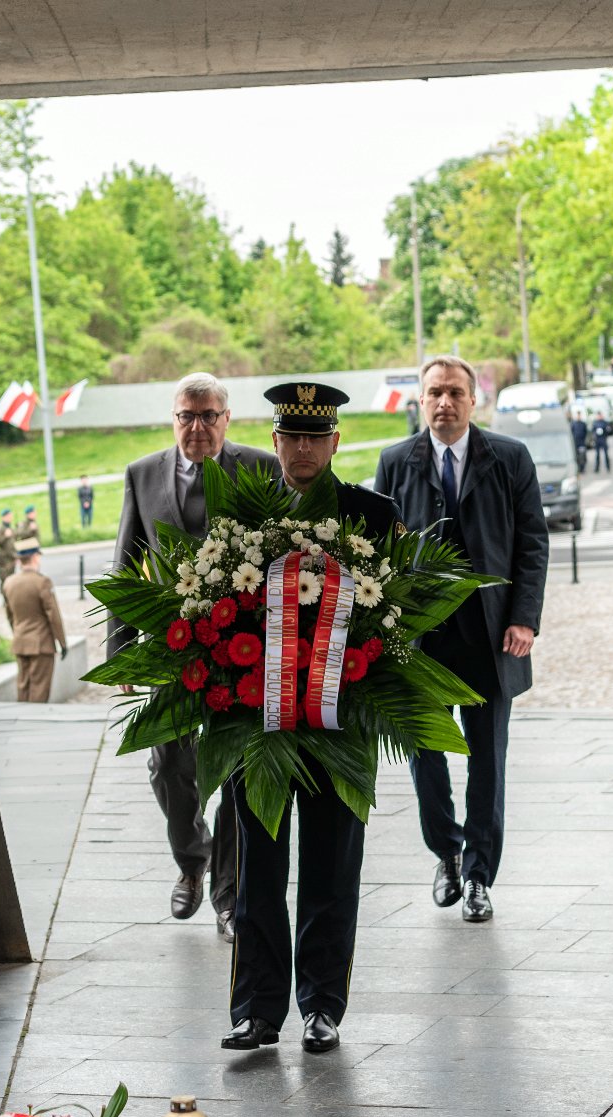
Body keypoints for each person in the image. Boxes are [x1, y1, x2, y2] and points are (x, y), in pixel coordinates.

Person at [222, 380, 402, 1056]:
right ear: (273, 442)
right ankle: (257, 1011)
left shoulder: (373, 515)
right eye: (290, 436)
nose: (301, 448)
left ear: (334, 441)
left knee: (331, 866)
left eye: (314, 436)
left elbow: (398, 617)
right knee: (258, 871)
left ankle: (321, 1007)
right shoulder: (239, 517)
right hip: (257, 723)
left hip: (336, 720)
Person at [375, 354, 550, 924]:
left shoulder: (509, 458)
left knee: (487, 762)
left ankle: (478, 874)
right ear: (420, 401)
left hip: (490, 637)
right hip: (421, 641)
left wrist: (523, 618)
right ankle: (446, 851)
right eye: (434, 393)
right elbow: (376, 553)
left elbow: (532, 542)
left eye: (454, 392)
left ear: (474, 400)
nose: (444, 402)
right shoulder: (396, 462)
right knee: (425, 755)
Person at [112, 372, 280, 942]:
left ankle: (228, 898)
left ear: (226, 419)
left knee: (234, 772)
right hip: (171, 653)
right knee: (167, 768)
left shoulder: (258, 466)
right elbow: (124, 569)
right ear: (173, 418)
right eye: (187, 415)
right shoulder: (141, 476)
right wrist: (119, 656)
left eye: (209, 415)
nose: (198, 426)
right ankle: (191, 858)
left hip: (242, 651)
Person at [1, 537, 65, 703]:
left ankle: (22, 722)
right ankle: (35, 724)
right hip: (41, 644)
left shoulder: (9, 582)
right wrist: (62, 643)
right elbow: (54, 617)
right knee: (39, 689)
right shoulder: (42, 582)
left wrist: (18, 633)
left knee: (23, 687)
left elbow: (10, 615)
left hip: (20, 642)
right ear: (35, 556)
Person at [0, 509, 18, 588]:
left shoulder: (11, 528)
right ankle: (5, 599)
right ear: (4, 517)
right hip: (4, 559)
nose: (10, 517)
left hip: (12, 557)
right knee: (5, 580)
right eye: (8, 516)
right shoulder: (0, 528)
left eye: (11, 516)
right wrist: (5, 536)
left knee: (12, 579)